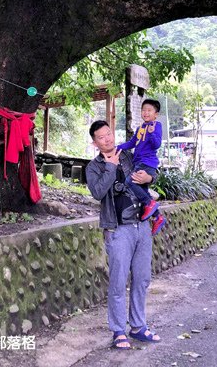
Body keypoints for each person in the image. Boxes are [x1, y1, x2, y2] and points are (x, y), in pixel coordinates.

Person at [86, 120, 162, 350]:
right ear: (95, 143)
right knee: (118, 283)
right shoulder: (94, 167)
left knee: (142, 279)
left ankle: (138, 327)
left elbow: (150, 167)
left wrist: (151, 178)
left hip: (142, 225)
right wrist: (110, 167)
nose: (107, 139)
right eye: (101, 137)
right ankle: (118, 330)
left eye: (109, 133)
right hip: (118, 229)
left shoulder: (128, 155)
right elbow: (98, 192)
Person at [116, 99, 166, 233]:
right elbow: (132, 143)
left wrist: (151, 133)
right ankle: (158, 217)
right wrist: (117, 147)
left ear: (156, 114)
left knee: (129, 181)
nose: (146, 113)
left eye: (149, 110)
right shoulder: (140, 128)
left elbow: (156, 145)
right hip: (139, 162)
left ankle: (150, 204)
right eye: (143, 110)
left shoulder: (157, 126)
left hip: (147, 163)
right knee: (142, 191)